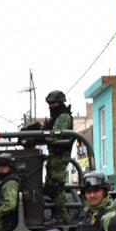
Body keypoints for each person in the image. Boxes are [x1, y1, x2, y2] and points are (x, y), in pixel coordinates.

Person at [42, 90, 73, 223]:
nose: (51, 106)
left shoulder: (64, 117)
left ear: (60, 103)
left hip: (60, 156)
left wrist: (39, 136)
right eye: (49, 103)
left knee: (56, 187)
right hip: (53, 156)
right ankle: (57, 215)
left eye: (53, 103)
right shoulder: (55, 118)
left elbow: (55, 136)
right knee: (49, 188)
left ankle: (62, 217)